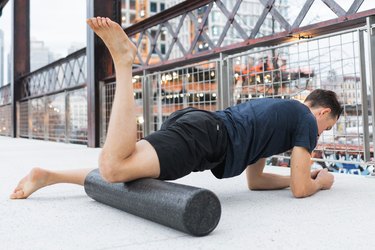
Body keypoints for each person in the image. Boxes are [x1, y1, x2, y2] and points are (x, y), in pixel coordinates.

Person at [10, 17, 342, 200]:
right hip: (208, 138)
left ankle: (48, 176)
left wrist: (296, 175)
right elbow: (302, 190)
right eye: (325, 129)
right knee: (114, 167)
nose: (319, 137)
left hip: (203, 129)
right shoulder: (304, 120)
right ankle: (125, 64)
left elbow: (255, 182)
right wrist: (321, 181)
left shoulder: (277, 120)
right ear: (322, 113)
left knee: (128, 170)